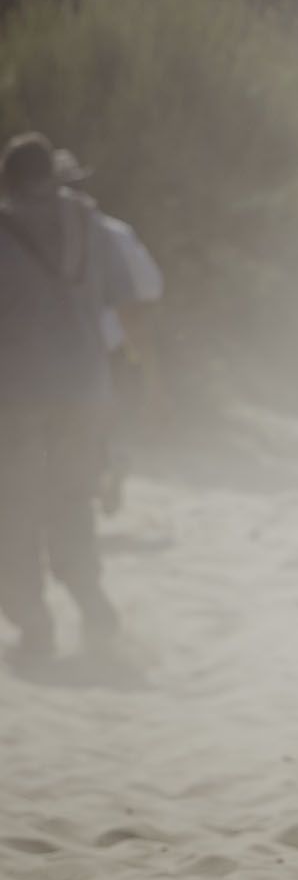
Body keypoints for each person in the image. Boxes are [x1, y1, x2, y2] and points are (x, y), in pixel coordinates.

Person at [0, 132, 134, 671]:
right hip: (85, 387)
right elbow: (126, 298)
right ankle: (93, 606)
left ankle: (34, 627)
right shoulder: (92, 225)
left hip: (17, 392)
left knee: (13, 510)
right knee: (72, 500)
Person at [54, 150, 162, 515]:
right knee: (100, 423)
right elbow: (144, 294)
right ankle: (105, 471)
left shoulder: (19, 234)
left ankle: (82, 489)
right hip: (108, 351)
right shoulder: (115, 234)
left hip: (51, 353)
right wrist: (148, 370)